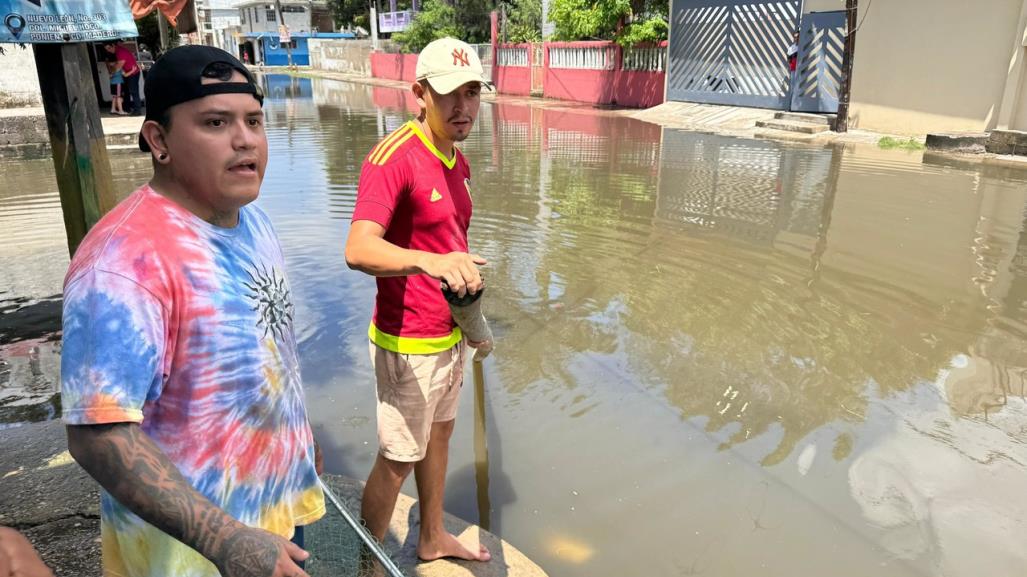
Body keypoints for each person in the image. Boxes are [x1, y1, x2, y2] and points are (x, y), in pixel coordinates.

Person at [61, 45, 324, 577]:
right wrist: (224, 539)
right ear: (159, 140)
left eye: (253, 120)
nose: (245, 138)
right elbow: (97, 434)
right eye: (215, 122)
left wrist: (299, 443)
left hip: (273, 512)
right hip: (188, 552)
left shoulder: (252, 222)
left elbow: (268, 355)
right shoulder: (123, 262)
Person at [345, 36, 494, 563]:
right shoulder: (394, 158)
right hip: (406, 340)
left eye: (473, 93)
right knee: (398, 458)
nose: (463, 107)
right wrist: (429, 262)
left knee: (441, 437)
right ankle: (369, 564)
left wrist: (473, 322)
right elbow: (358, 248)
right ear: (419, 94)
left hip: (449, 332)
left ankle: (431, 537)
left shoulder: (459, 162)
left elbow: (450, 242)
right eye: (451, 93)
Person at [103, 41, 142, 115]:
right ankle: (127, 108)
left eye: (109, 48)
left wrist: (111, 70)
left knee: (133, 91)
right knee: (126, 92)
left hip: (133, 73)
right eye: (106, 49)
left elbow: (118, 67)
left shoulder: (120, 52)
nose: (108, 50)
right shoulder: (117, 52)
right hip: (130, 73)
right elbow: (118, 68)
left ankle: (137, 110)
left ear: (113, 45)